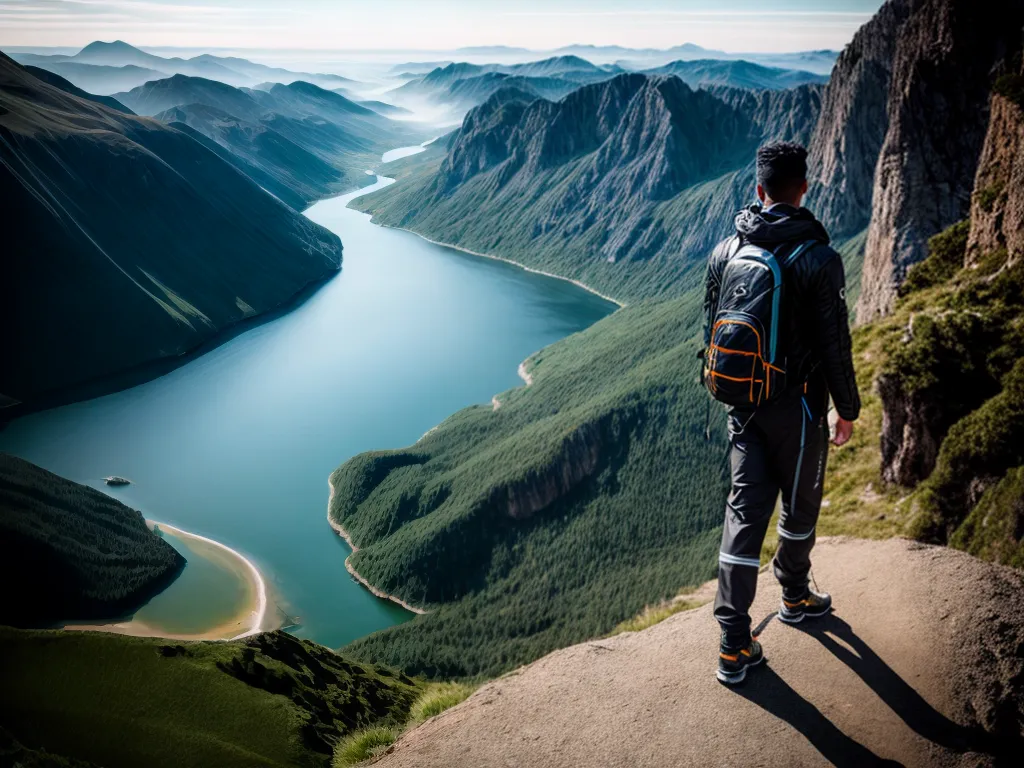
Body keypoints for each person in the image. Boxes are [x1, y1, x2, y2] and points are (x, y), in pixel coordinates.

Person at [702, 141, 861, 686]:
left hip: (743, 406)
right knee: (799, 507)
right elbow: (835, 344)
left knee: (744, 514)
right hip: (798, 408)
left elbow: (711, 329)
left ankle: (732, 643)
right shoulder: (819, 258)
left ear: (758, 189)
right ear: (805, 189)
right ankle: (794, 595)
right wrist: (848, 409)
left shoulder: (727, 249)